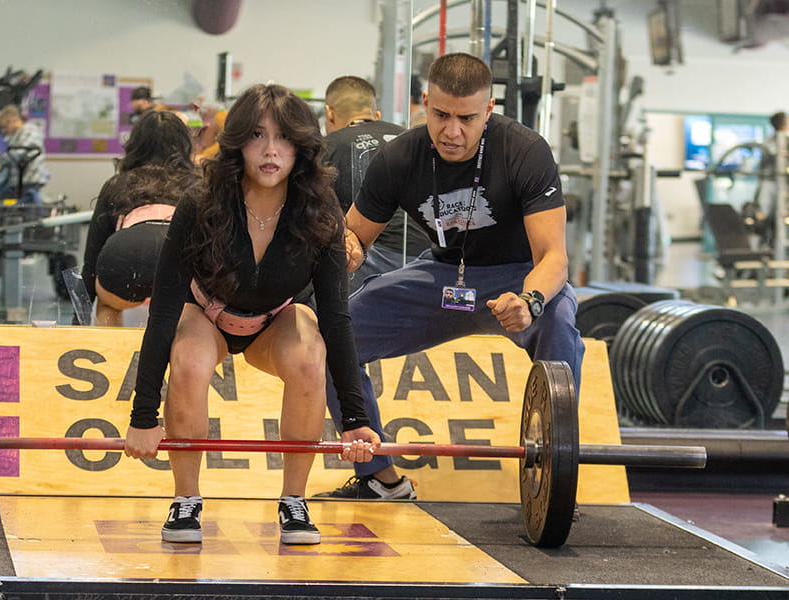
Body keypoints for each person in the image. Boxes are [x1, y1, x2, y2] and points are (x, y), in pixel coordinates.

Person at [317, 53, 585, 500]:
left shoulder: (524, 151)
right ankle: (382, 479)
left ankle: (555, 488)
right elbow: (355, 237)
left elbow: (555, 257)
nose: (452, 131)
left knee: (558, 324)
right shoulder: (400, 157)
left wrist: (531, 301)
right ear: (425, 103)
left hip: (519, 279)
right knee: (334, 337)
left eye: (467, 118)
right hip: (442, 278)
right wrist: (345, 248)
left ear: (490, 110)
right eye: (440, 115)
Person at [123, 83, 381, 545]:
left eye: (283, 139)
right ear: (238, 142)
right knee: (191, 361)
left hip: (273, 321)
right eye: (257, 136)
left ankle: (294, 502)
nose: (270, 151)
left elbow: (337, 317)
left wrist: (357, 419)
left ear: (301, 147)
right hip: (206, 314)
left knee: (308, 352)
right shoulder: (200, 205)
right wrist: (143, 415)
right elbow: (162, 311)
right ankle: (185, 501)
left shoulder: (320, 211)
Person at [80, 111, 195, 326]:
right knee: (194, 311)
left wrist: (76, 324)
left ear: (136, 144)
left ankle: (108, 353)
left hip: (127, 260)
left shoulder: (118, 183)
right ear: (185, 144)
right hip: (182, 262)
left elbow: (91, 261)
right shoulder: (199, 183)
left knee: (109, 305)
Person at [323, 75, 432, 294]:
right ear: (377, 115)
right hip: (429, 256)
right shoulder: (409, 138)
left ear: (329, 114)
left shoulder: (327, 147)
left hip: (374, 257)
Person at [0, 105, 49, 203]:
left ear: (12, 120)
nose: (4, 131)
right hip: (16, 182)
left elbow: (18, 155)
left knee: (27, 208)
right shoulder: (13, 135)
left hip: (29, 180)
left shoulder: (29, 131)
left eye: (5, 127)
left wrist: (1, 150)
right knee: (4, 203)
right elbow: (2, 154)